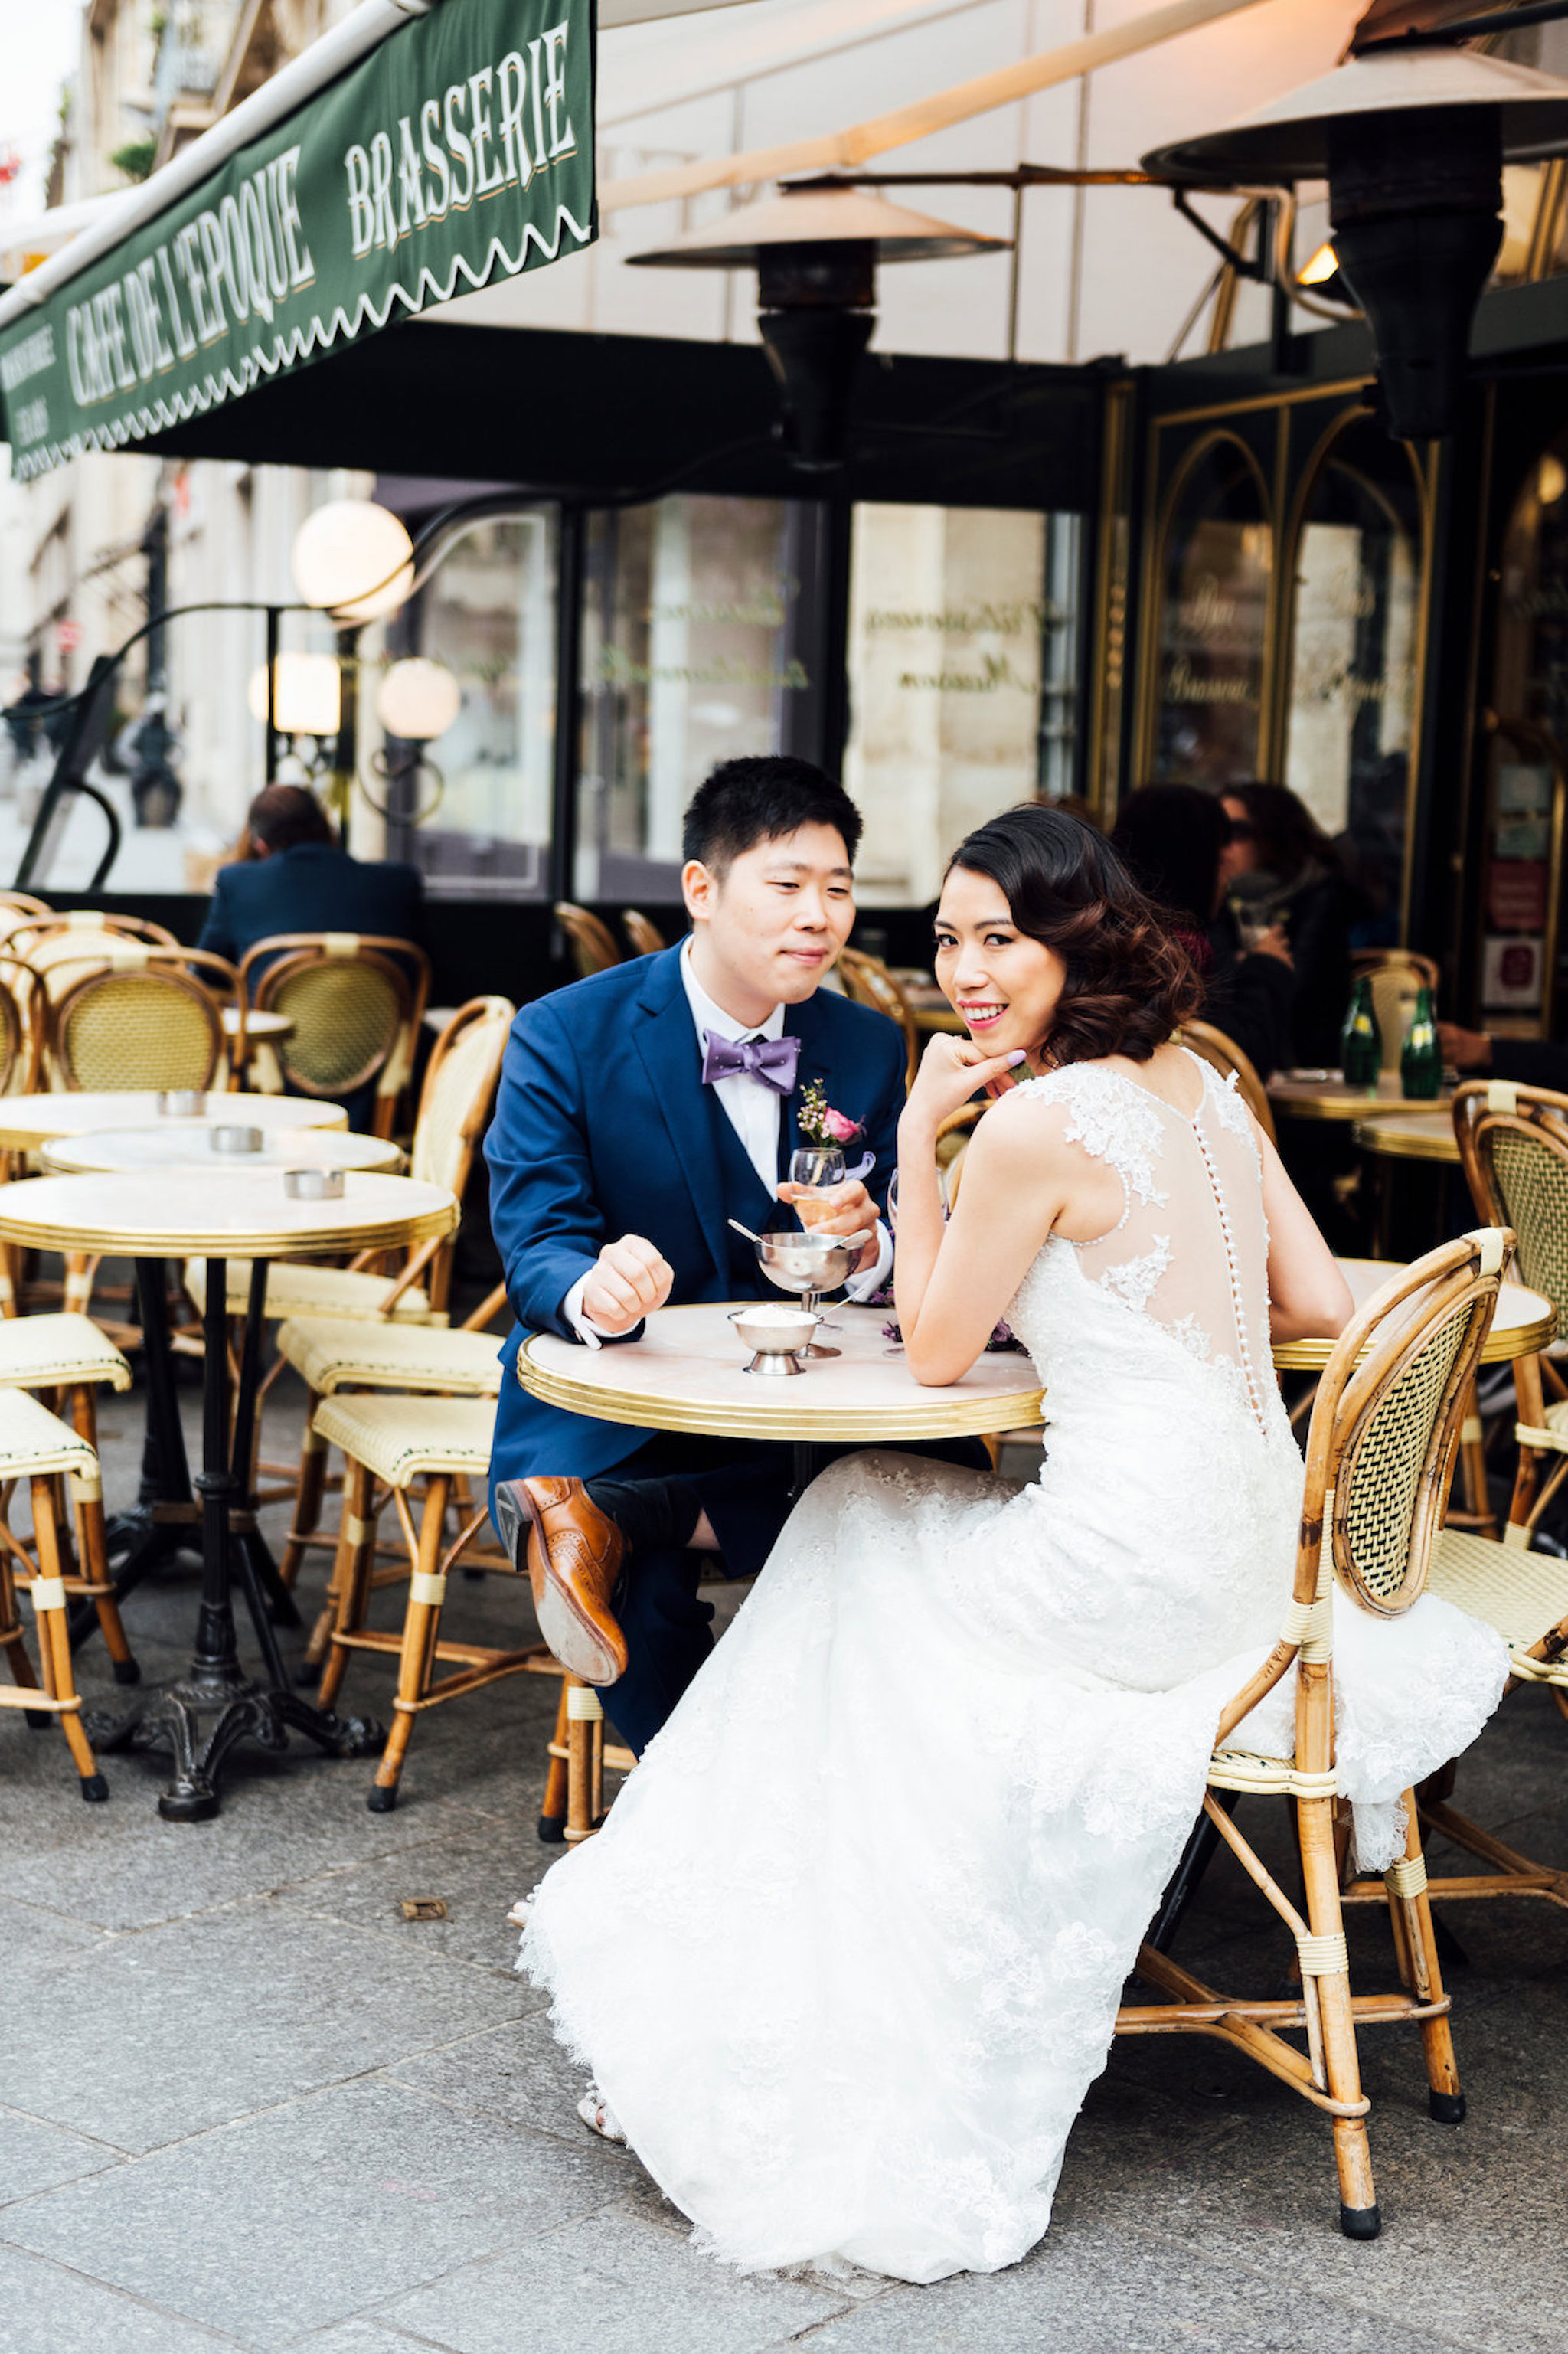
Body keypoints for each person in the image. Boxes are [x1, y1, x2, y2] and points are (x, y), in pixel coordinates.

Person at [518, 804, 1508, 2283]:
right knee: (860, 1545)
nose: (968, 970)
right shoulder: (1203, 1088)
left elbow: (929, 1351)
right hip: (1246, 1545)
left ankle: (756, 1990)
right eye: (948, 938)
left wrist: (920, 1137)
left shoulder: (1035, 1119)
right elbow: (1311, 1297)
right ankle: (775, 1951)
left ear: (1077, 938)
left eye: (1001, 937)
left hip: (1125, 1564)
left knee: (850, 1521)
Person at [485, 755, 989, 1774]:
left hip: (807, 1411)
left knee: (953, 1498)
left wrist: (864, 1243)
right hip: (624, 1413)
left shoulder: (863, 1041)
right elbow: (535, 1235)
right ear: (702, 891)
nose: (819, 915)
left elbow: (899, 1233)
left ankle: (846, 1766)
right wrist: (597, 1285)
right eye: (788, 884)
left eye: (839, 888)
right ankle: (712, 1812)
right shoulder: (565, 1033)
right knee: (652, 1595)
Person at [1110, 784, 1295, 1078]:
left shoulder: (1108, 936)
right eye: (1219, 860)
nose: (1226, 876)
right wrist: (1265, 968)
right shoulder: (1172, 954)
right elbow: (1235, 1064)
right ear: (1193, 863)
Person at [196, 785, 423, 970]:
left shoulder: (237, 883)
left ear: (262, 846)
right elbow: (426, 976)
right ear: (327, 828)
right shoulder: (399, 883)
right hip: (382, 1025)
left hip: (276, 1025)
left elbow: (208, 972)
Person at [1219, 782, 1366, 1068]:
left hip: (1307, 1060)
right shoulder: (1221, 897)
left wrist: (1253, 965)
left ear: (1270, 834)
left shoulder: (1320, 894)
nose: (1225, 848)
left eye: (1236, 832)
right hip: (1241, 1057)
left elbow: (1303, 989)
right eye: (1219, 834)